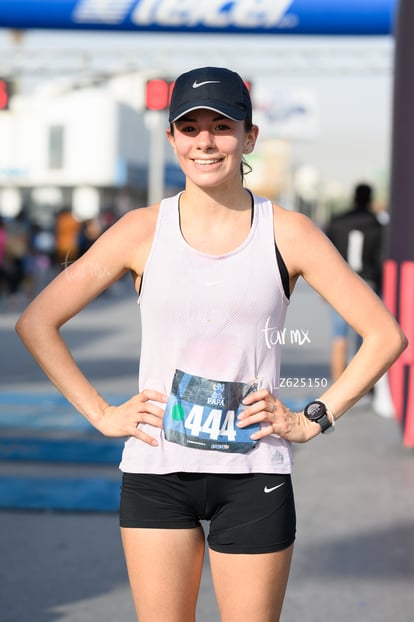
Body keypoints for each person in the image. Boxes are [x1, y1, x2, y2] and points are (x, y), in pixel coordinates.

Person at [15, 67, 407, 622]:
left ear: (249, 138)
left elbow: (385, 335)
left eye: (222, 126)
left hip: (255, 475)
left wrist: (312, 419)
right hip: (157, 474)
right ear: (172, 138)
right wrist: (101, 414)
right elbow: (37, 322)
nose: (205, 141)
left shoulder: (288, 232)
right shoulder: (139, 231)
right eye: (189, 126)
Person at [325, 183, 385, 382]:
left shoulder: (337, 221)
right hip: (367, 282)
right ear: (369, 199)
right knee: (367, 338)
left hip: (338, 283)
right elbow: (381, 258)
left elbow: (323, 253)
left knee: (338, 337)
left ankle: (337, 383)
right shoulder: (377, 223)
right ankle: (360, 386)